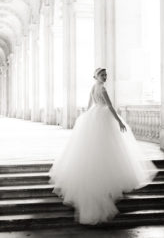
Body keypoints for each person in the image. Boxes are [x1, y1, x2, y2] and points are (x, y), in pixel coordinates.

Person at [49, 68, 157, 225]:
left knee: (96, 150)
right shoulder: (103, 88)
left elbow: (88, 106)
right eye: (102, 75)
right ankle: (107, 186)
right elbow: (111, 106)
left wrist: (86, 119)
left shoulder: (93, 87)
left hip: (94, 116)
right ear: (96, 76)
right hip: (104, 117)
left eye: (106, 75)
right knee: (109, 150)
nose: (105, 77)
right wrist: (119, 121)